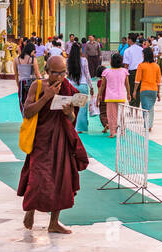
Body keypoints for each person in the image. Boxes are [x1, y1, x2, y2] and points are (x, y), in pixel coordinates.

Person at [18, 55, 90, 233]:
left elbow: (72, 117)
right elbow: (27, 112)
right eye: (55, 73)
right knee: (38, 179)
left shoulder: (68, 87)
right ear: (47, 72)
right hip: (41, 141)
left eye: (63, 73)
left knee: (61, 180)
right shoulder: (38, 86)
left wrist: (69, 113)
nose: (59, 77)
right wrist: (46, 97)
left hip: (61, 140)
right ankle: (30, 210)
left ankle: (54, 223)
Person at [100, 53, 130, 137]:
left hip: (110, 97)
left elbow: (103, 85)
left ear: (111, 61)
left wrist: (99, 95)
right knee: (121, 115)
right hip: (121, 96)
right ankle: (122, 131)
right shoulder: (124, 71)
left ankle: (112, 132)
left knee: (111, 115)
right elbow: (127, 84)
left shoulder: (106, 72)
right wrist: (128, 94)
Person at [135, 46, 161, 128]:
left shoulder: (141, 66)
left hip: (144, 90)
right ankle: (149, 125)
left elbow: (137, 81)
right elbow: (158, 82)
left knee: (145, 108)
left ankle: (147, 125)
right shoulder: (156, 66)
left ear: (144, 55)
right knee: (151, 108)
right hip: (154, 90)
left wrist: (134, 91)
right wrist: (158, 93)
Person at [122, 35, 144, 103]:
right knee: (139, 89)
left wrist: (125, 75)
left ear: (130, 40)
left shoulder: (127, 51)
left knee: (131, 89)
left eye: (128, 39)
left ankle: (132, 107)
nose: (127, 41)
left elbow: (126, 65)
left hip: (132, 72)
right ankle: (137, 107)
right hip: (141, 71)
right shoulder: (141, 49)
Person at [16, 42, 37, 109]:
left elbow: (16, 75)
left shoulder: (16, 59)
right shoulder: (33, 60)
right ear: (31, 51)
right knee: (31, 101)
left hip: (21, 83)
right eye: (34, 51)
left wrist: (18, 84)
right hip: (31, 83)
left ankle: (24, 116)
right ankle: (30, 118)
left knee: (22, 101)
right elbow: (37, 73)